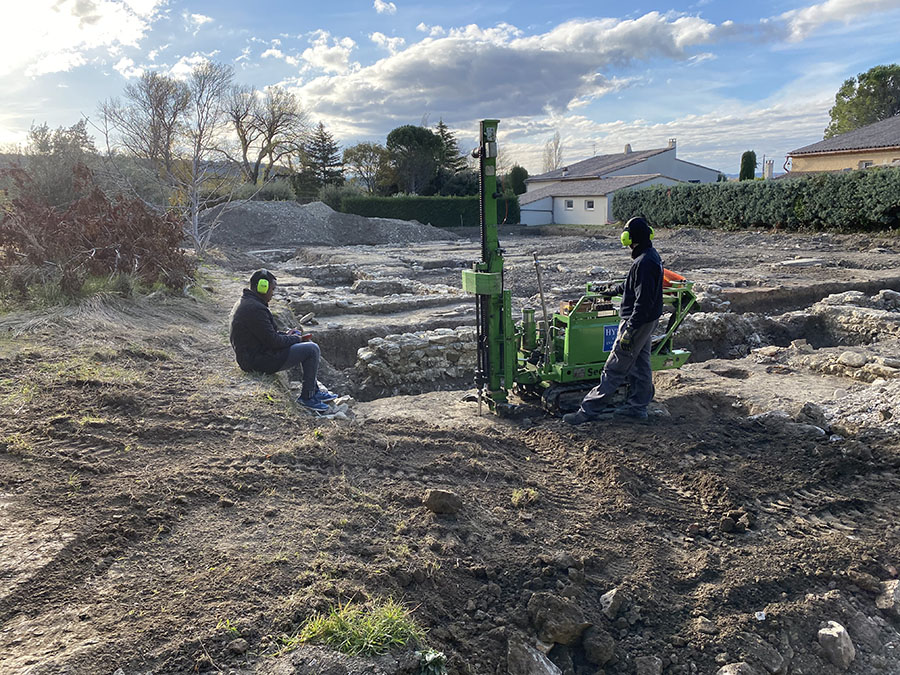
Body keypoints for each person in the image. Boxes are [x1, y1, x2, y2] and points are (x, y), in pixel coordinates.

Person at [564, 216, 663, 424]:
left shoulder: (644, 263)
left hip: (637, 321)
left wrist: (630, 330)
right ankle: (637, 408)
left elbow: (643, 301)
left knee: (615, 366)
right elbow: (631, 285)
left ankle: (587, 411)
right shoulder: (649, 256)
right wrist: (611, 291)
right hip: (646, 321)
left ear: (628, 238)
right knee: (641, 366)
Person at [229, 269, 337, 412]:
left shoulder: (250, 303)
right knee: (312, 349)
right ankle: (307, 398)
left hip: (255, 354)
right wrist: (295, 339)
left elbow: (265, 335)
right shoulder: (255, 309)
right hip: (255, 361)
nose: (272, 293)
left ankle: (314, 391)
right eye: (272, 289)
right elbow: (273, 342)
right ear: (262, 287)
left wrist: (287, 335)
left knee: (307, 345)